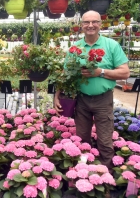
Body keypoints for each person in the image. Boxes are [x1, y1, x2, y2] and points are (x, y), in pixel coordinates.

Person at [54, 10, 130, 169]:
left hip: (103, 99)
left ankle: (105, 175)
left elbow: (125, 72)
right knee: (81, 139)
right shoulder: (75, 48)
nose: (90, 25)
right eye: (86, 22)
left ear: (100, 24)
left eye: (94, 22)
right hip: (81, 100)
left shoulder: (111, 45)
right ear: (81, 25)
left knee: (104, 140)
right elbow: (65, 75)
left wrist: (100, 72)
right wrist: (57, 96)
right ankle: (84, 174)